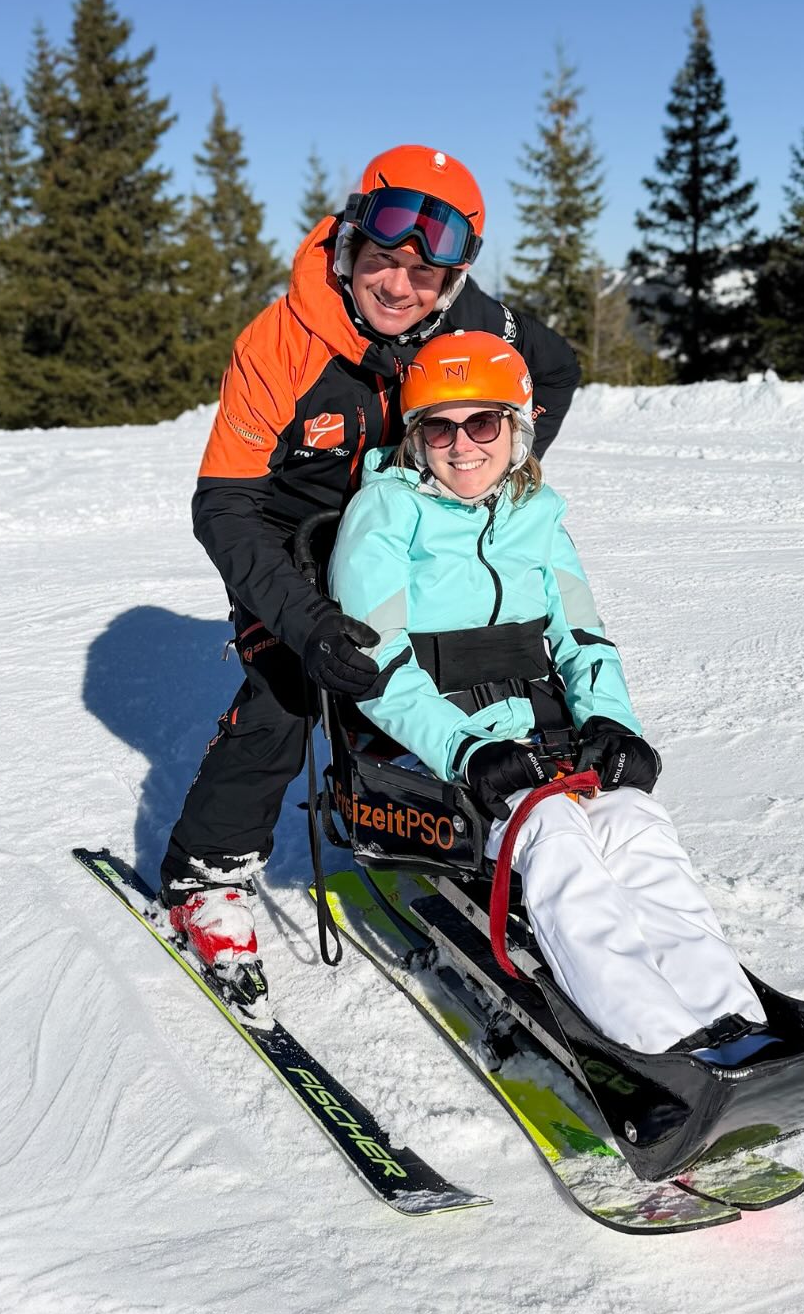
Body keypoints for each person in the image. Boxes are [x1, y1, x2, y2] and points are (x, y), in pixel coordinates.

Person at [162, 145, 582, 1008]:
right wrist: (304, 620)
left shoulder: (477, 319)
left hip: (405, 523)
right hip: (293, 544)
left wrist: (484, 481)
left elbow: (554, 369)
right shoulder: (278, 344)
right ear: (350, 243)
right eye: (383, 262)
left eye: (425, 274)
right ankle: (204, 875)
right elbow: (225, 507)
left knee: (476, 650)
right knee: (290, 687)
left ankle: (460, 822)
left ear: (454, 277)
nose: (400, 287)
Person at [327, 330, 774, 1061]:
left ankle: (729, 1015)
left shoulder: (539, 516)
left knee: (634, 822)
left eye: (482, 423)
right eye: (438, 426)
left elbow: (581, 638)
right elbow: (375, 668)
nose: (461, 445)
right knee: (555, 838)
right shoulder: (382, 515)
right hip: (429, 751)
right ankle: (653, 1040)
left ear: (517, 428)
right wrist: (464, 750)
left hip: (539, 739)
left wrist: (609, 723)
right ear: (415, 438)